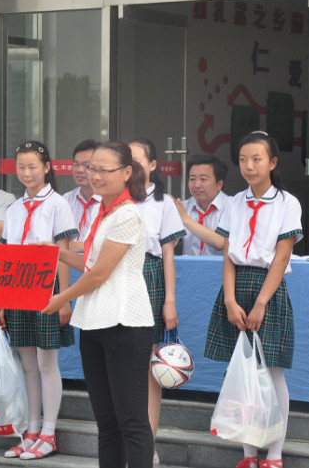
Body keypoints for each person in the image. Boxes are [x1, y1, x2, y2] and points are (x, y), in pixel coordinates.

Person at [44, 141, 155, 468]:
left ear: (127, 172)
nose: (95, 176)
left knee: (132, 421)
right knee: (106, 421)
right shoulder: (100, 212)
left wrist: (60, 298)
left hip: (125, 323)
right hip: (93, 321)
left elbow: (100, 274)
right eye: (91, 168)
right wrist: (53, 252)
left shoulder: (128, 214)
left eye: (104, 170)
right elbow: (90, 265)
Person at [205, 131, 302, 468]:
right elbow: (228, 254)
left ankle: (274, 454)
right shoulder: (234, 203)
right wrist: (230, 301)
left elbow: (282, 257)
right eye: (243, 159)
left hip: (268, 289)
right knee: (242, 371)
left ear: (272, 163)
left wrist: (261, 303)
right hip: (237, 288)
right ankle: (248, 453)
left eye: (257, 159)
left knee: (272, 373)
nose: (249, 166)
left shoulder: (287, 203)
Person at [0, 140, 78, 460]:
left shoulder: (58, 204)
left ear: (47, 168)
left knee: (46, 363)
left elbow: (63, 254)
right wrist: (2, 302)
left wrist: (64, 298)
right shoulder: (14, 208)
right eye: (21, 167)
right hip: (17, 289)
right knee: (27, 363)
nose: (26, 173)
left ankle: (49, 433)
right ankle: (31, 431)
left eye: (33, 166)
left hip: (47, 288)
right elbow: (7, 258)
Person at [128, 138, 186, 467]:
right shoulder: (116, 198)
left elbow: (167, 256)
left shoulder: (163, 203)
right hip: (118, 277)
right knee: (123, 365)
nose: (132, 166)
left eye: (138, 160)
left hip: (149, 277)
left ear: (152, 165)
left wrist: (170, 301)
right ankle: (127, 442)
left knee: (149, 367)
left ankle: (147, 446)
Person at [173, 153, 229, 256]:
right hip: (189, 266)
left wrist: (186, 220)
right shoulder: (183, 207)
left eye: (203, 179)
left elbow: (221, 243)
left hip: (221, 266)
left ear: (219, 184)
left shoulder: (232, 206)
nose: (197, 185)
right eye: (192, 179)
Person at [63, 139, 102, 252]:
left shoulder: (110, 202)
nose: (80, 170)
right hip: (66, 260)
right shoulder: (65, 200)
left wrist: (81, 246)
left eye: (87, 166)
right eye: (76, 164)